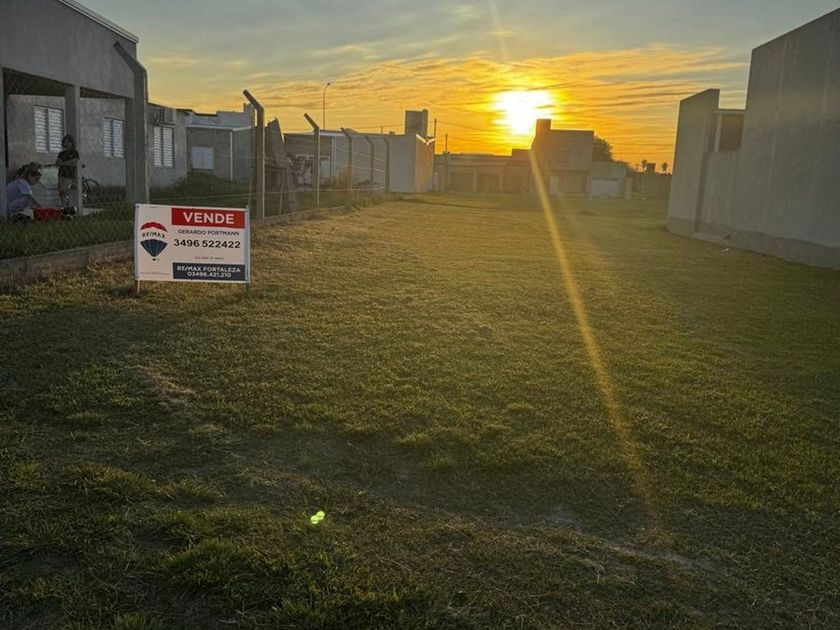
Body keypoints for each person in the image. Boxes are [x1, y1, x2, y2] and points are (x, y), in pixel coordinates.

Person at [55, 134, 79, 208]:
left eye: (68, 142)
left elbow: (75, 162)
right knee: (60, 190)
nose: (67, 144)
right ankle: (64, 205)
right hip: (61, 174)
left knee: (64, 189)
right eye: (65, 142)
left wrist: (63, 163)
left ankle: (68, 201)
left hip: (69, 174)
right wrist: (63, 163)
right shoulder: (61, 153)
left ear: (71, 143)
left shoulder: (75, 152)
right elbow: (58, 163)